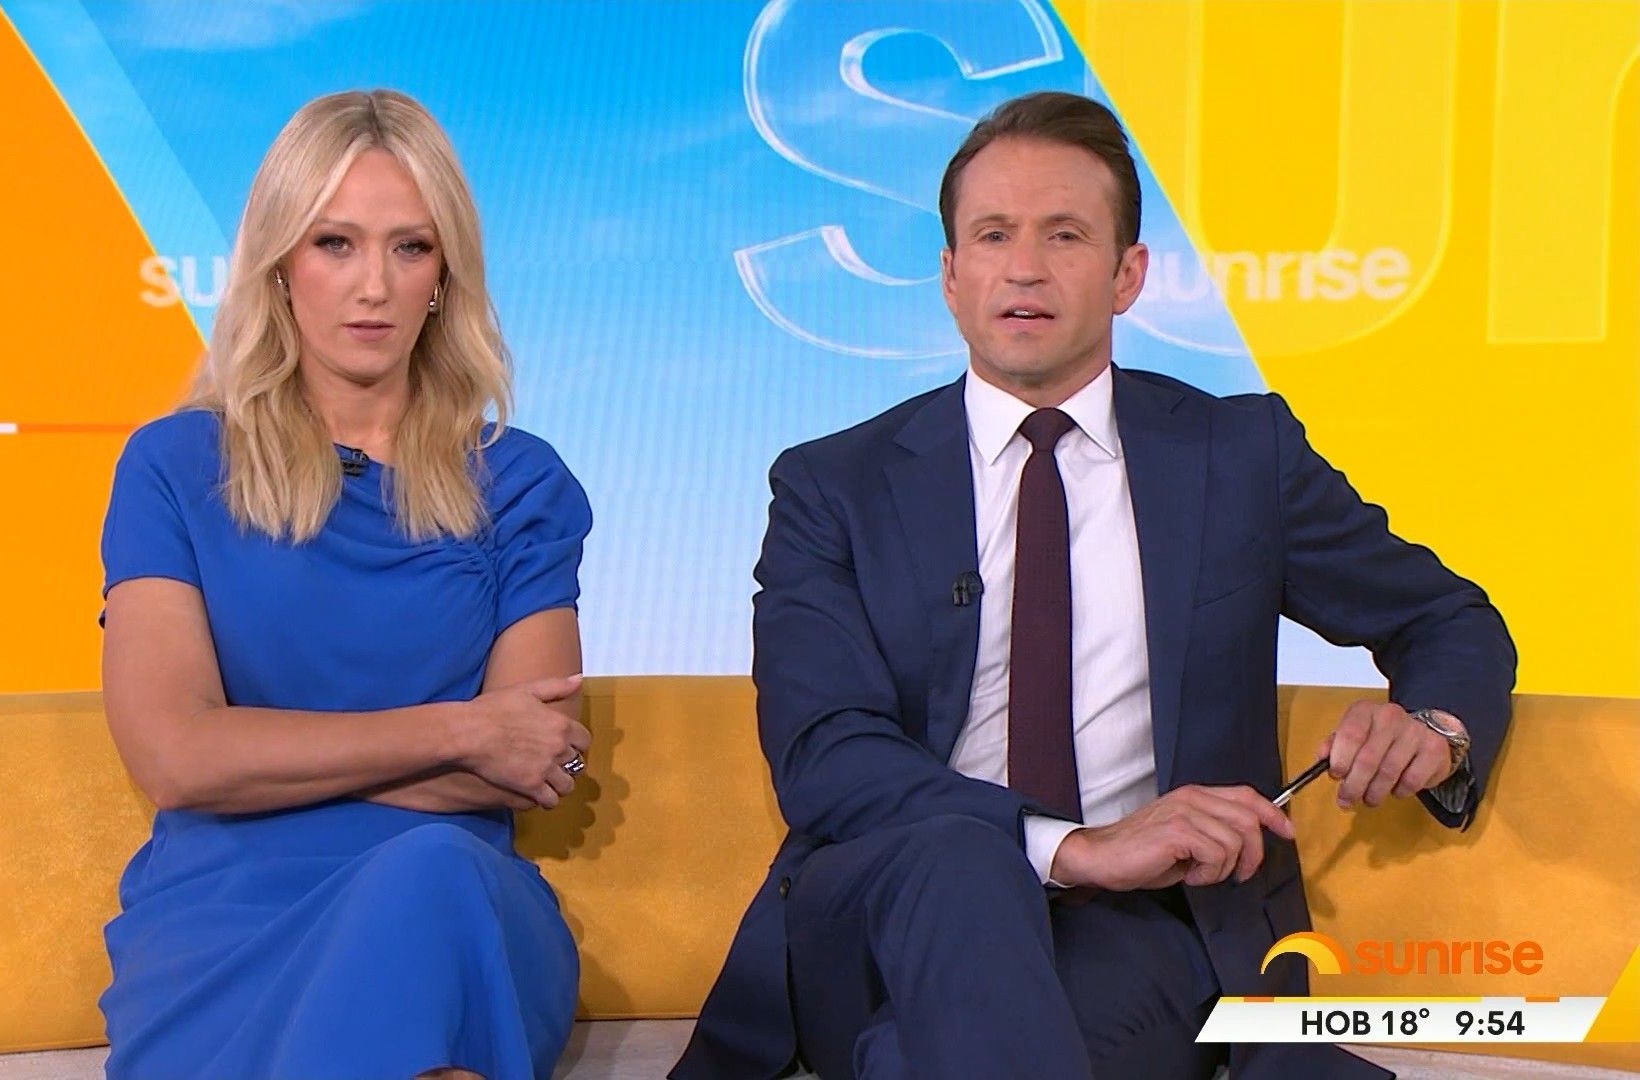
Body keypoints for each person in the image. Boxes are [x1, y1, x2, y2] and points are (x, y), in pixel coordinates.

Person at [674, 91, 1514, 1080]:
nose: (1024, 267)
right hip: (878, 909)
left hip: (1132, 926)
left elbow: (1445, 616)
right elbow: (826, 753)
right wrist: (1070, 846)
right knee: (958, 855)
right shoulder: (835, 486)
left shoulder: (1237, 457)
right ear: (951, 276)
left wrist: (1434, 725)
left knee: (913, 1061)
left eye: (1065, 235)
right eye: (994, 235)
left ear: (1127, 276)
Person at [97, 89, 591, 1080]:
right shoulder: (173, 467)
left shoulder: (521, 483)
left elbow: (533, 765)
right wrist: (458, 730)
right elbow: (178, 759)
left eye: (411, 248)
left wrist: (265, 757)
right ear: (280, 262)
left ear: (445, 275)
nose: (374, 287)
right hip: (224, 915)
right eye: (335, 244)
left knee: (433, 875)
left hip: (457, 900)